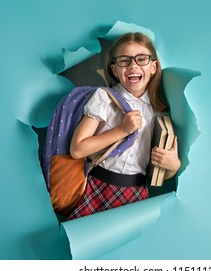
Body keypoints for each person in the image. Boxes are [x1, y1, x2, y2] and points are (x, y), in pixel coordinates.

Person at [66, 32, 181, 220]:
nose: (133, 65)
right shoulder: (104, 98)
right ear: (114, 69)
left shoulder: (159, 112)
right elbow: (77, 149)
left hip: (136, 193)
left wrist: (173, 165)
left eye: (141, 59)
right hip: (96, 189)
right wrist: (121, 131)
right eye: (124, 60)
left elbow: (157, 174)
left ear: (153, 67)